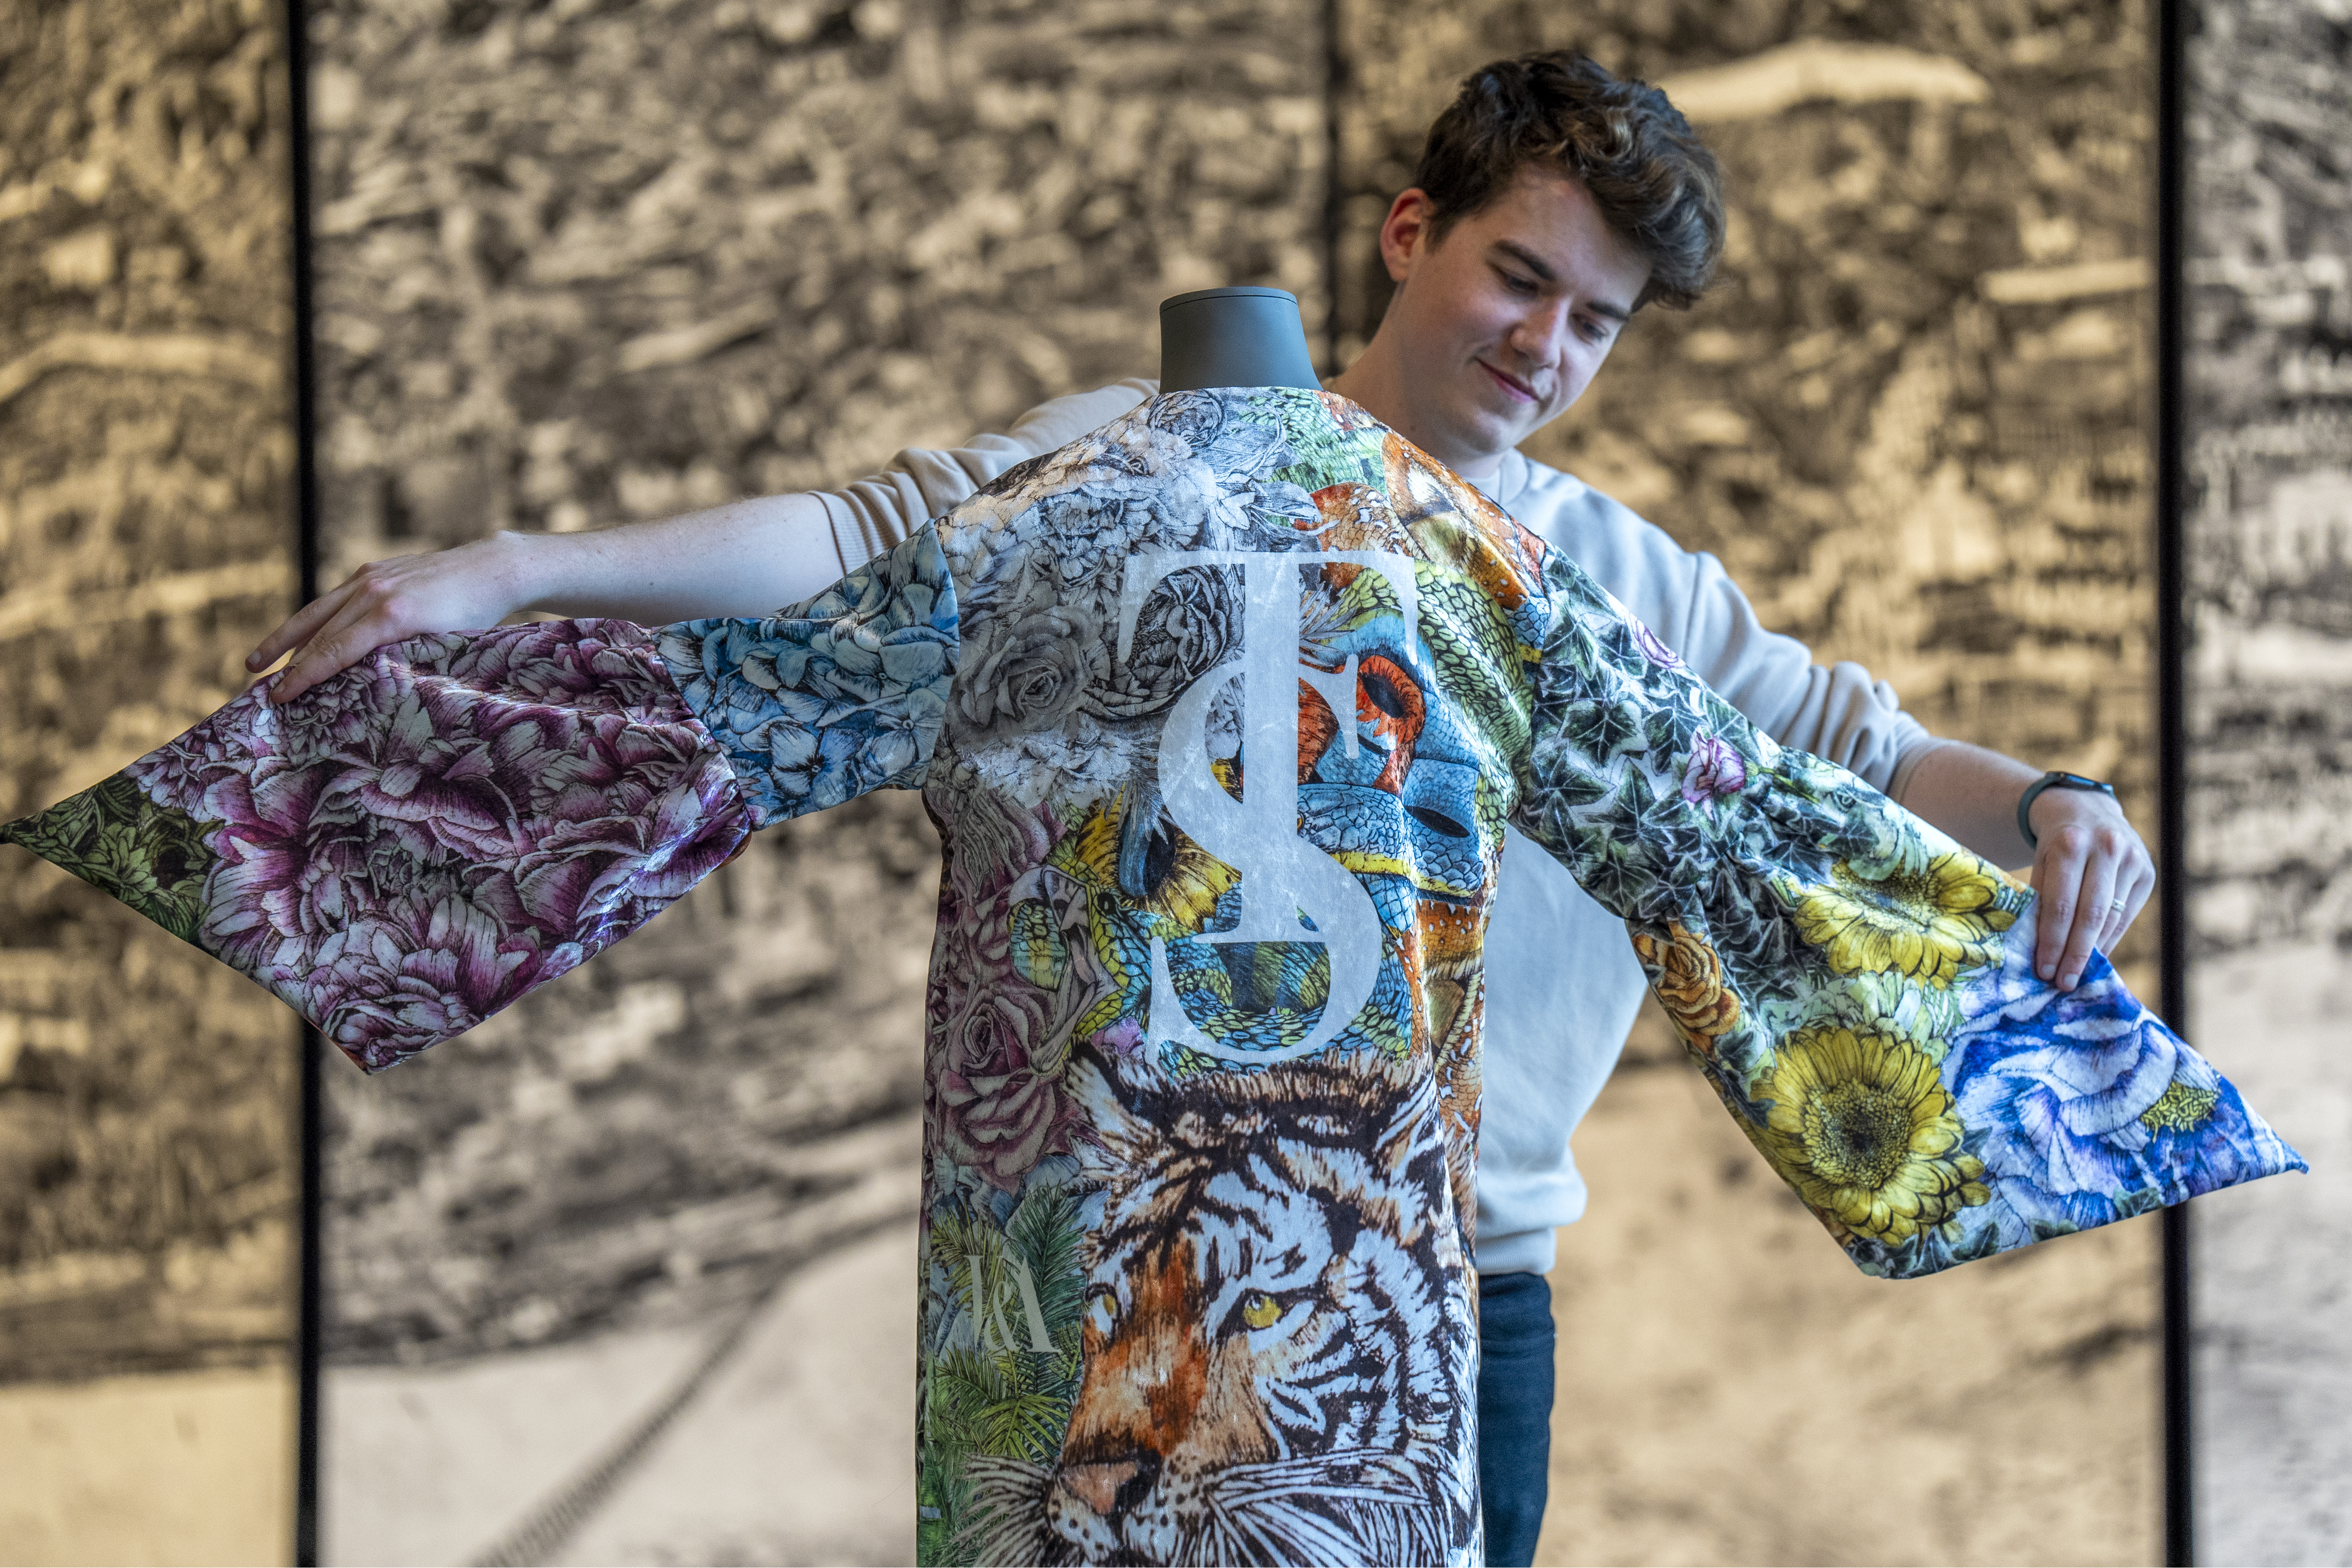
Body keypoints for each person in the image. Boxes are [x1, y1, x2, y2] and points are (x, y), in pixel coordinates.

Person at [245, 51, 2155, 1565]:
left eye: (1595, 322)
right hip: (1111, 1261)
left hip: (1451, 1300)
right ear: (1410, 233)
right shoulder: (1111, 472)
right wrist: (516, 569)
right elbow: (855, 551)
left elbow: (1843, 746)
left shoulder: (1600, 578)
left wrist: (2052, 797)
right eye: (1519, 275)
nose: (1545, 346)